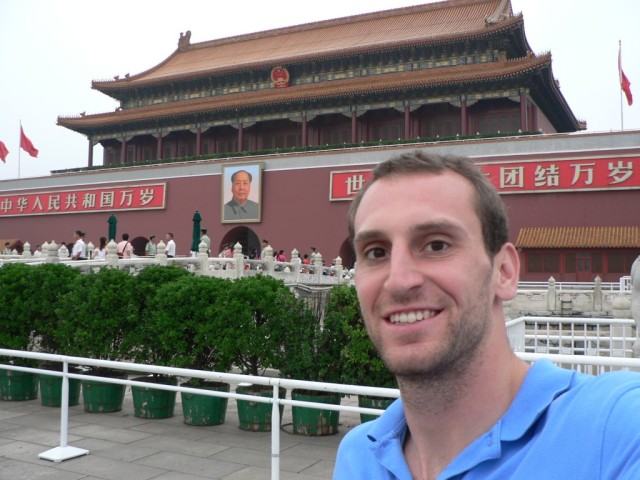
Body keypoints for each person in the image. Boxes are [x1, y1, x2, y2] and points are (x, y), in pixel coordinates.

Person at [334, 151, 640, 479]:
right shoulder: (358, 456)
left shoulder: (616, 429)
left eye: (436, 245)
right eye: (376, 252)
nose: (399, 281)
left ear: (504, 272)